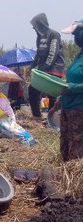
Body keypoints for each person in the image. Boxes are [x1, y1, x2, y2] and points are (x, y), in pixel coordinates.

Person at [29, 13, 65, 118]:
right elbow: (39, 53)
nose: (33, 28)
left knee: (52, 95)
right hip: (43, 68)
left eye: (35, 25)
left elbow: (53, 53)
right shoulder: (39, 37)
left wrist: (45, 68)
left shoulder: (54, 34)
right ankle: (37, 116)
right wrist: (32, 66)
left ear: (40, 24)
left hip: (55, 68)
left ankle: (52, 118)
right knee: (32, 90)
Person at [58, 19, 83, 161]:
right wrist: (60, 100)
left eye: (77, 33)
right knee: (66, 143)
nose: (75, 38)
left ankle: (75, 179)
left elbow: (74, 84)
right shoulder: (79, 55)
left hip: (80, 109)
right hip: (68, 106)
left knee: (77, 146)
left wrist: (71, 88)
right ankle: (64, 175)